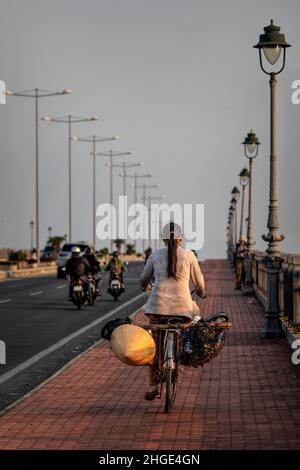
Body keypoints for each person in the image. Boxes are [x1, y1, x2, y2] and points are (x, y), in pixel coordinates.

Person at [140, 221, 205, 400]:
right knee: (189, 327)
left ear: (163, 240)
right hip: (183, 309)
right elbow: (199, 282)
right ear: (180, 239)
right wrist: (202, 292)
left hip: (157, 309)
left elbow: (143, 278)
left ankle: (153, 385)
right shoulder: (189, 255)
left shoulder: (154, 255)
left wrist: (144, 286)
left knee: (154, 347)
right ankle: (183, 349)